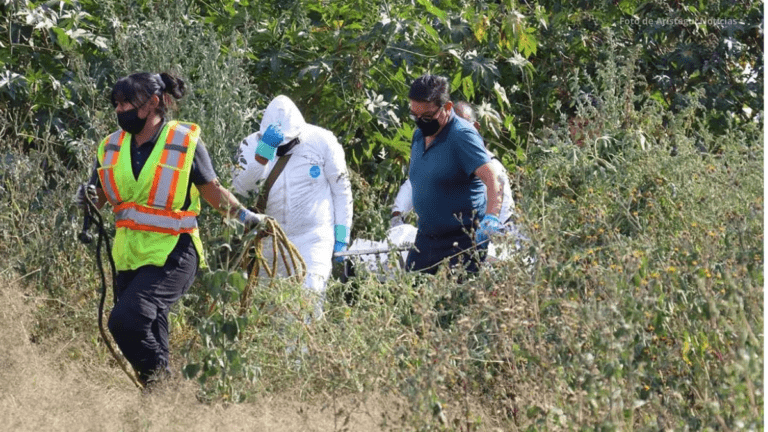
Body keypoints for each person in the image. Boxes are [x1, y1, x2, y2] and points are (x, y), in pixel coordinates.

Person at [72, 72, 267, 388]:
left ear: (152, 103)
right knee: (149, 333)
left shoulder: (184, 142)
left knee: (125, 322)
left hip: (174, 253)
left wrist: (247, 219)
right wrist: (86, 198)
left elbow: (213, 192)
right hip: (129, 257)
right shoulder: (110, 147)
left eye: (126, 103)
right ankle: (163, 407)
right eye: (116, 104)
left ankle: (164, 385)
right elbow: (100, 196)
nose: (119, 110)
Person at [232, 95, 353, 320]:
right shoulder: (251, 145)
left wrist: (341, 235)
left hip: (313, 239)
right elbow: (240, 188)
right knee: (272, 312)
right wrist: (261, 158)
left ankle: (304, 355)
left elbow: (341, 190)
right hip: (270, 242)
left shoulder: (322, 140)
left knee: (307, 304)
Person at [403, 74, 505, 274]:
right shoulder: (419, 135)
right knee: (413, 297)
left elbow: (493, 177)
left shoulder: (461, 135)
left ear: (447, 107)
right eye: (415, 116)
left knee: (453, 300)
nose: (420, 122)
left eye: (427, 117)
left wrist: (492, 216)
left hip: (461, 240)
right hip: (426, 238)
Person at [390, 101, 515, 229]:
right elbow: (413, 185)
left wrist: (491, 224)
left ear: (475, 127)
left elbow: (504, 214)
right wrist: (397, 215)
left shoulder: (493, 165)